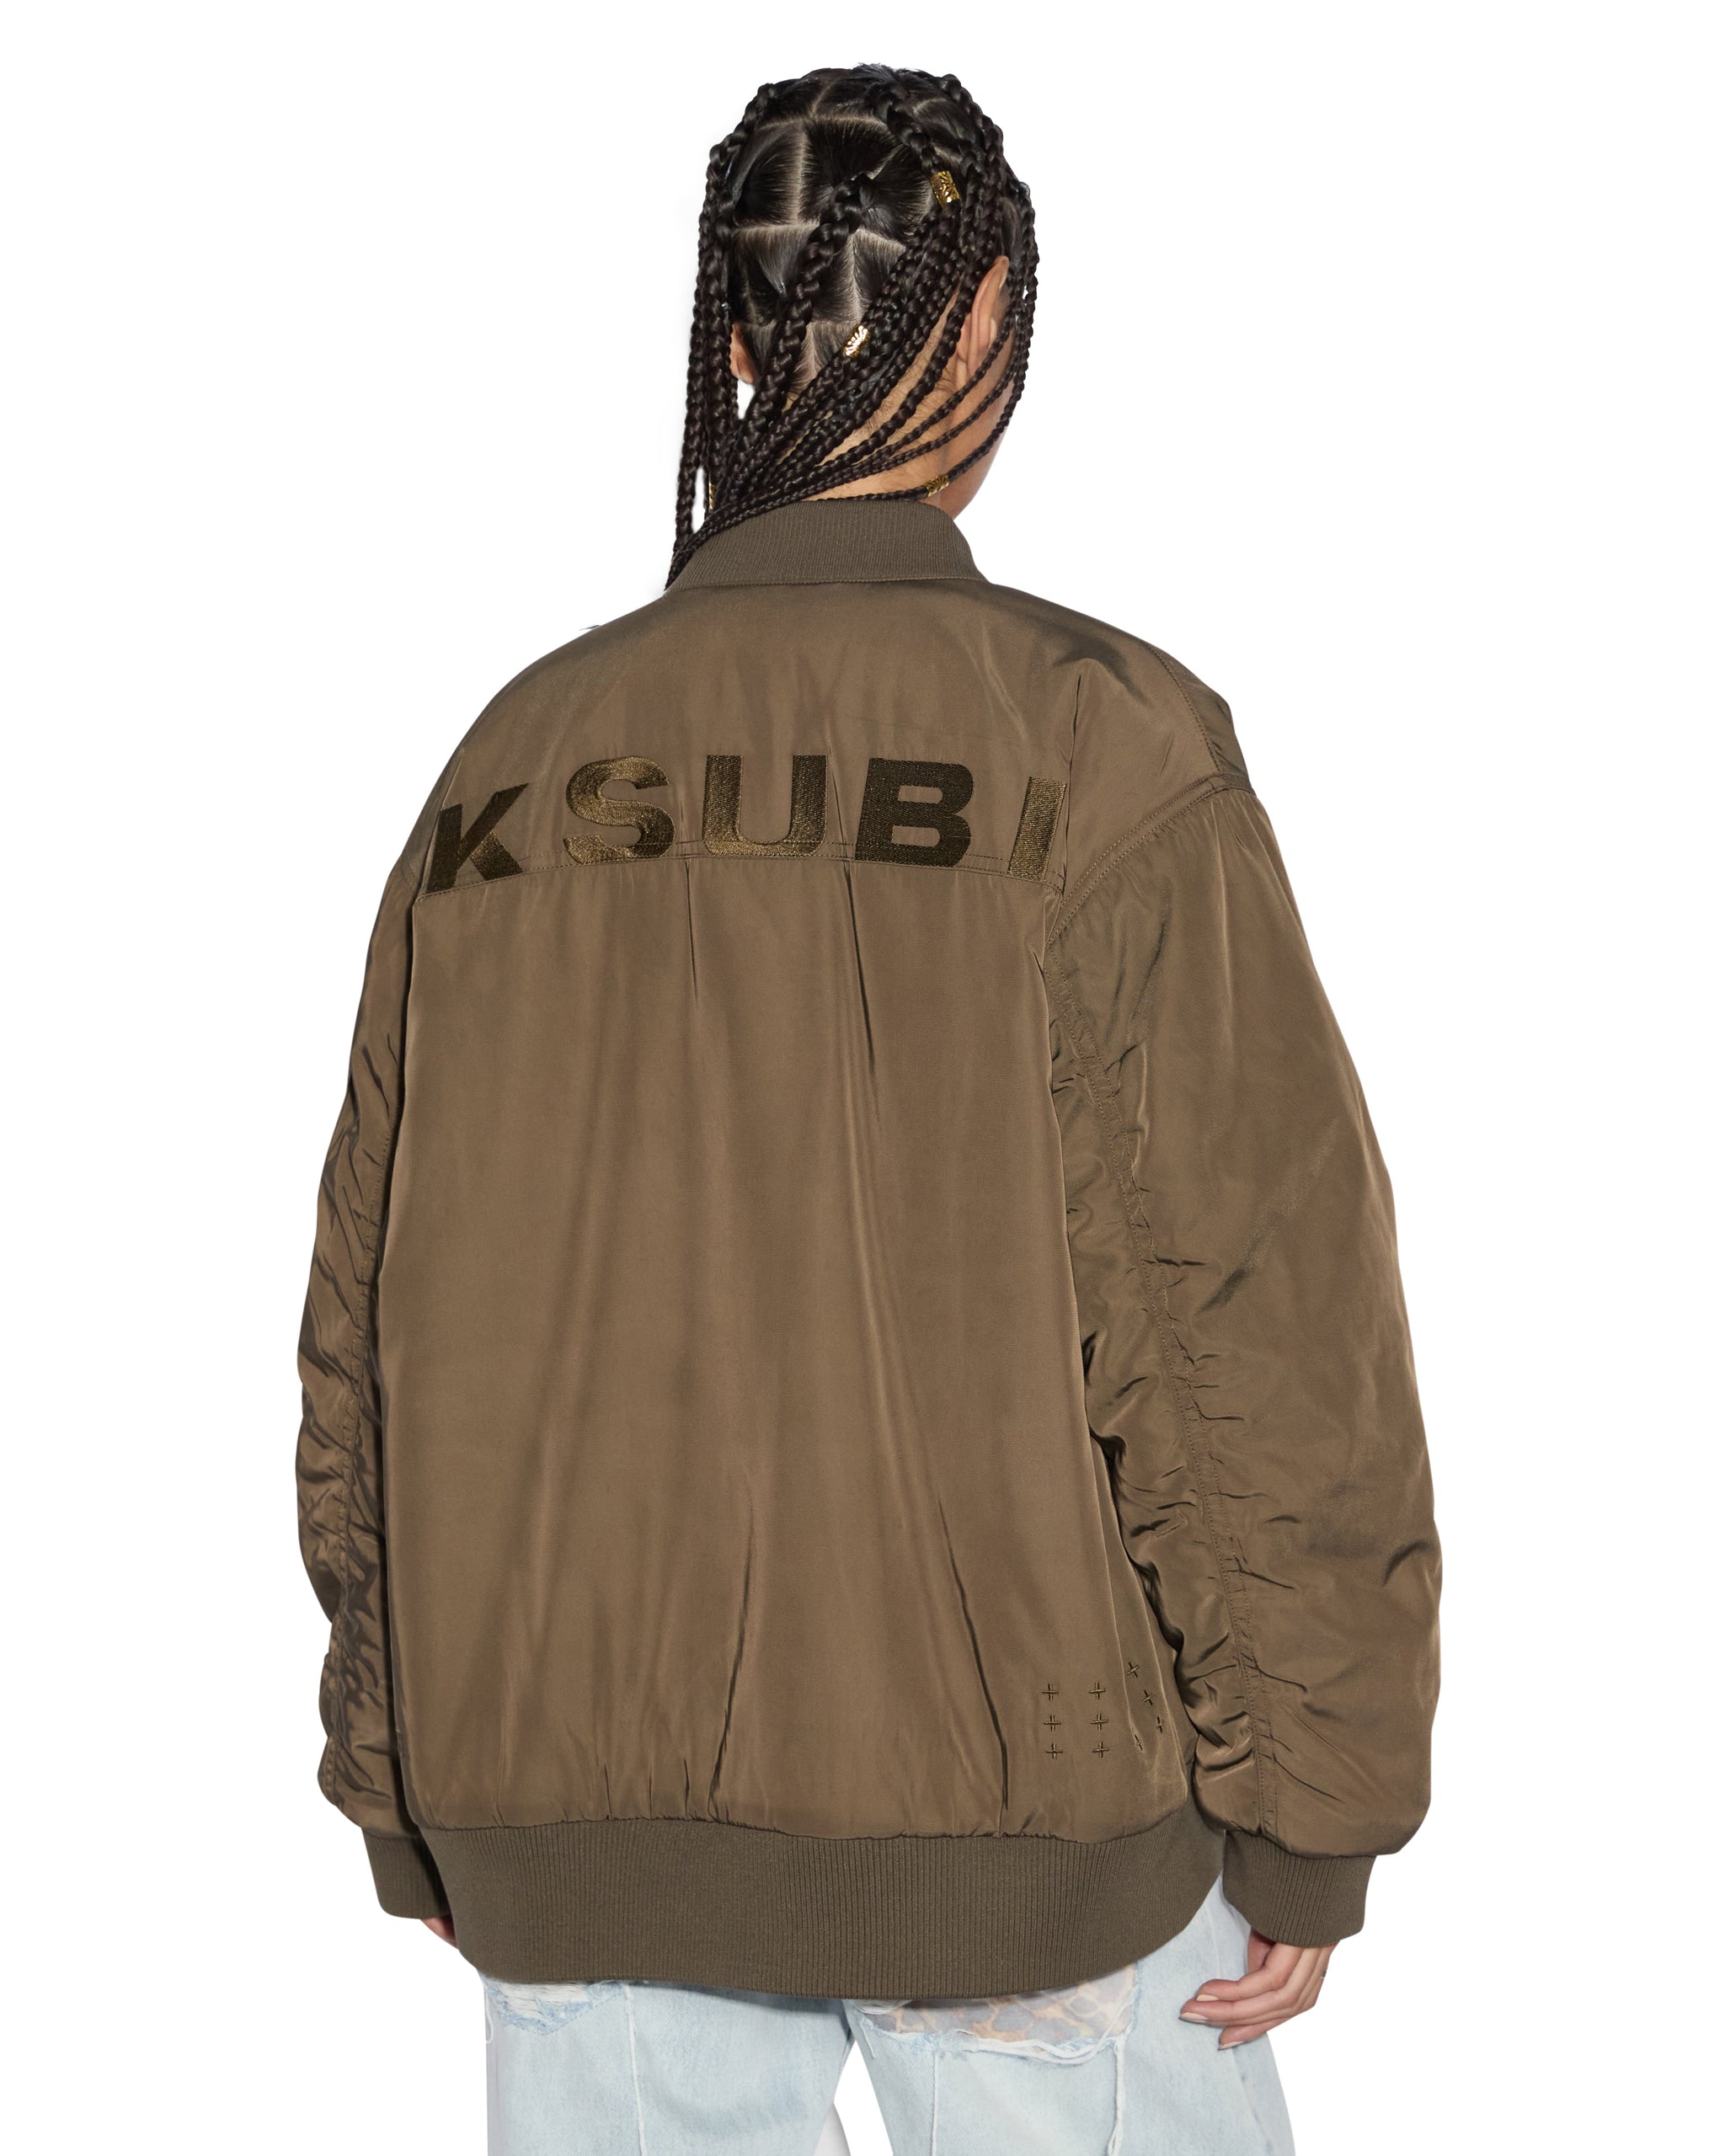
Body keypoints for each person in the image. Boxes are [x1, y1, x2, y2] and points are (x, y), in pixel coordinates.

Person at [296, 64, 1440, 2155]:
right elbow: (1257, 1319)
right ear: (988, 313)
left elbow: (368, 1325)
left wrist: (408, 1780)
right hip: (1038, 1843)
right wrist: (1314, 1803)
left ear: (733, 347)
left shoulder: (509, 767)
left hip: (569, 1846)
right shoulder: (1099, 743)